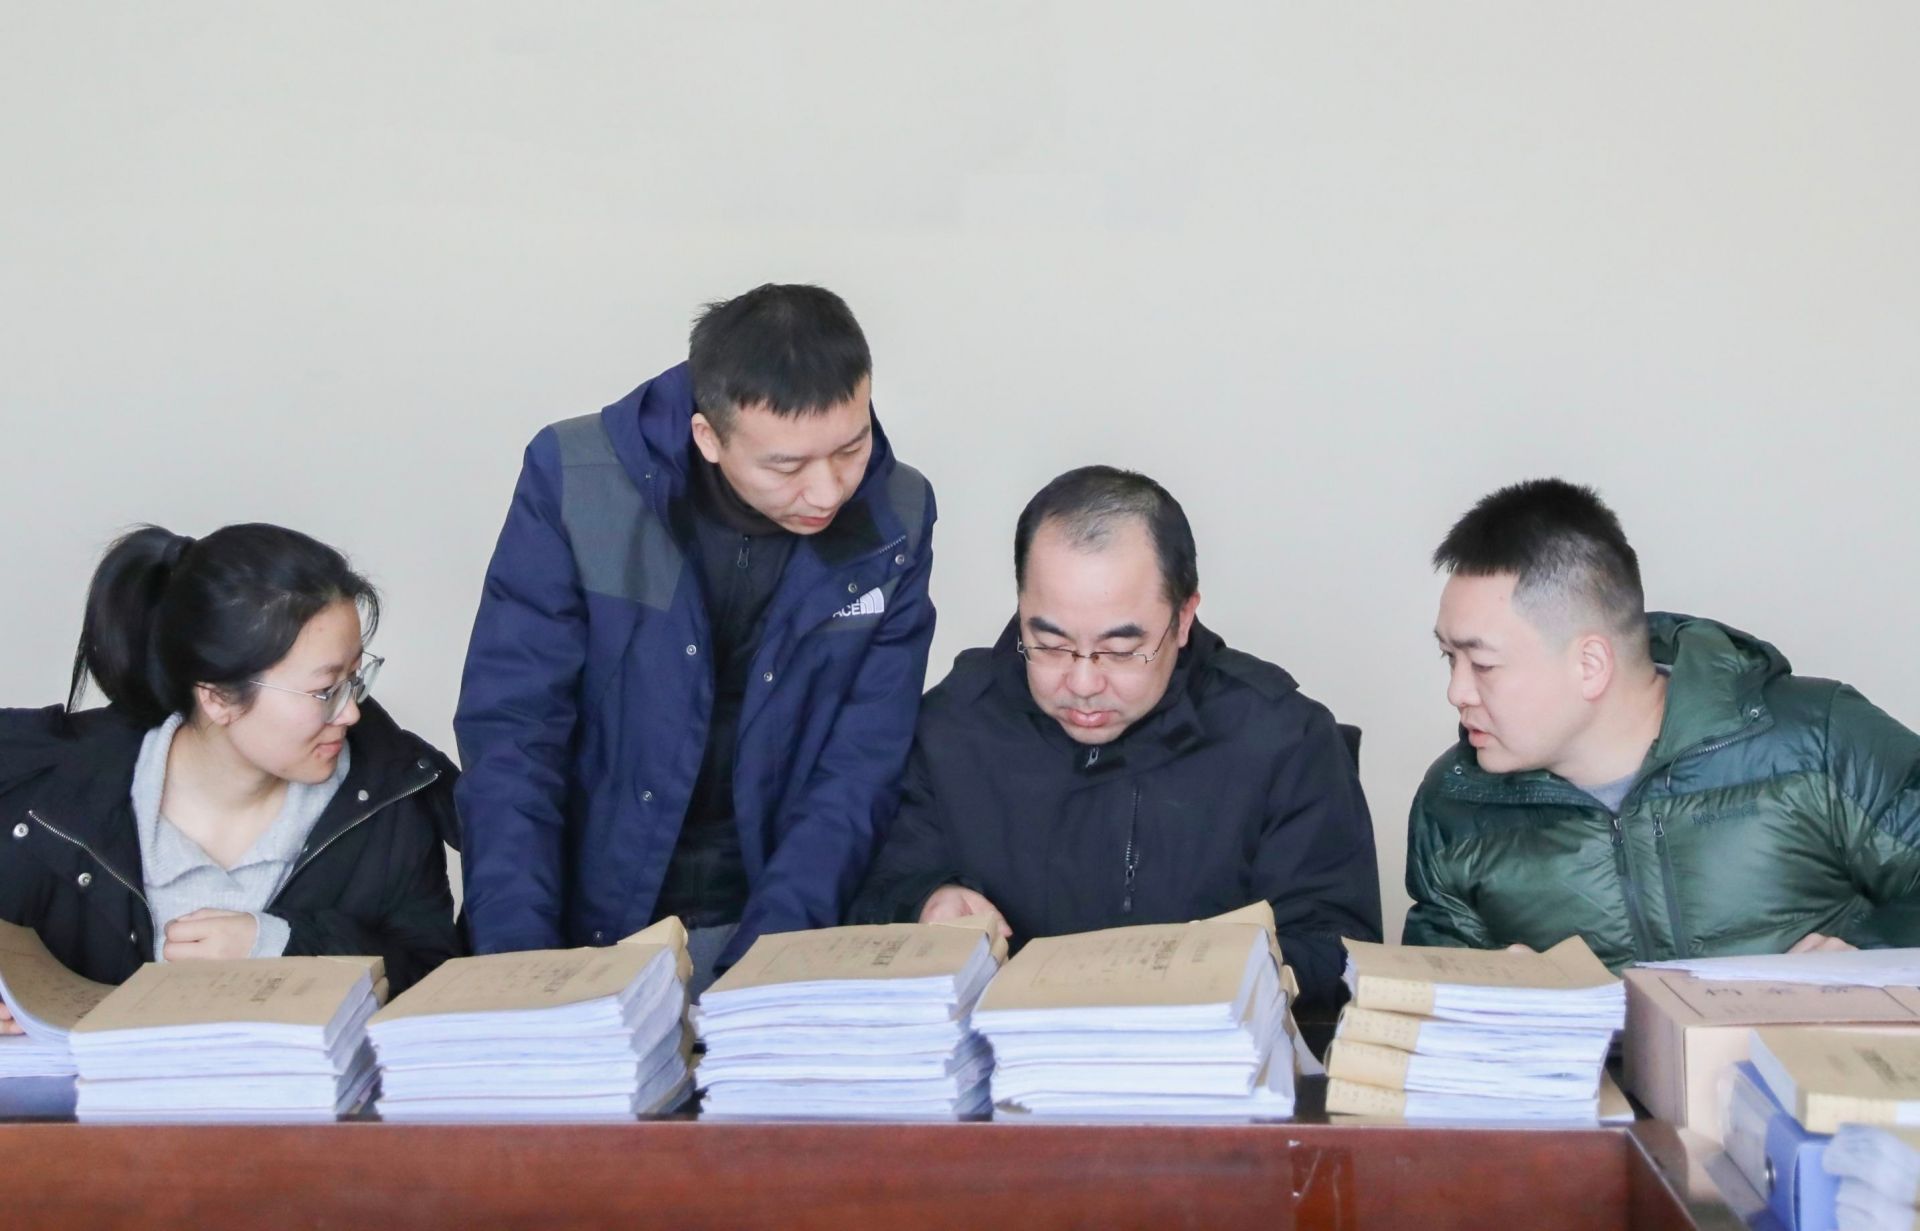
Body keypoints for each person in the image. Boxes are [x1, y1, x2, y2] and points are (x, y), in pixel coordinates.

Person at [456, 283, 936, 994]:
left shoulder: (897, 515)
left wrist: (768, 971)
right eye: (786, 466)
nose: (828, 491)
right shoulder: (576, 479)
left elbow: (861, 766)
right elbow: (515, 734)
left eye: (851, 447)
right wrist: (519, 965)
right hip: (582, 915)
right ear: (708, 436)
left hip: (776, 909)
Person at [850, 466, 1380, 1009]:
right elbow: (868, 892)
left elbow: (1338, 952)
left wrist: (1218, 970)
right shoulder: (951, 728)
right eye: (1050, 644)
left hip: (1200, 1052)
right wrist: (926, 900)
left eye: (1121, 651)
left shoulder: (1283, 740)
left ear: (1183, 618)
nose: (1082, 684)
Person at [1406, 478, 1920, 967]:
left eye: (1483, 664)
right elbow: (1428, 997)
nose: (1457, 692)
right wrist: (1492, 993)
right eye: (1449, 657)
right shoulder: (1453, 804)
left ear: (1590, 665)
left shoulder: (1817, 740)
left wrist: (1866, 957)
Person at [0, 523, 461, 1034]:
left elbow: (433, 982)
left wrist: (282, 945)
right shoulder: (52, 797)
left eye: (355, 678)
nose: (351, 712)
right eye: (325, 689)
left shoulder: (392, 798)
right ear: (217, 697)